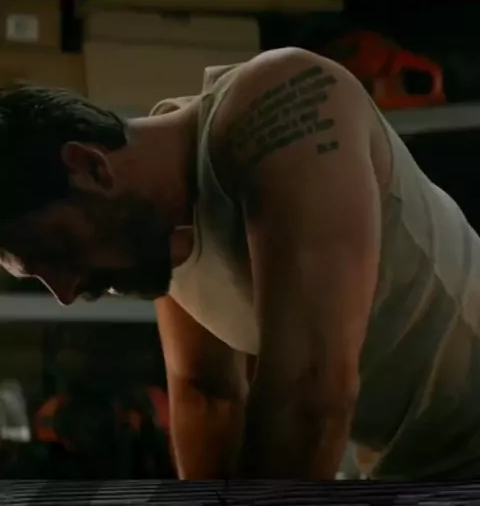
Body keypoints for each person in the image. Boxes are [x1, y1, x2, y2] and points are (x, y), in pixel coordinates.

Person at [1, 46, 480, 481]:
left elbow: (310, 390)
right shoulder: (160, 223)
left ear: (89, 167)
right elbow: (208, 397)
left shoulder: (279, 106)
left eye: (58, 250)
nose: (65, 293)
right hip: (413, 470)